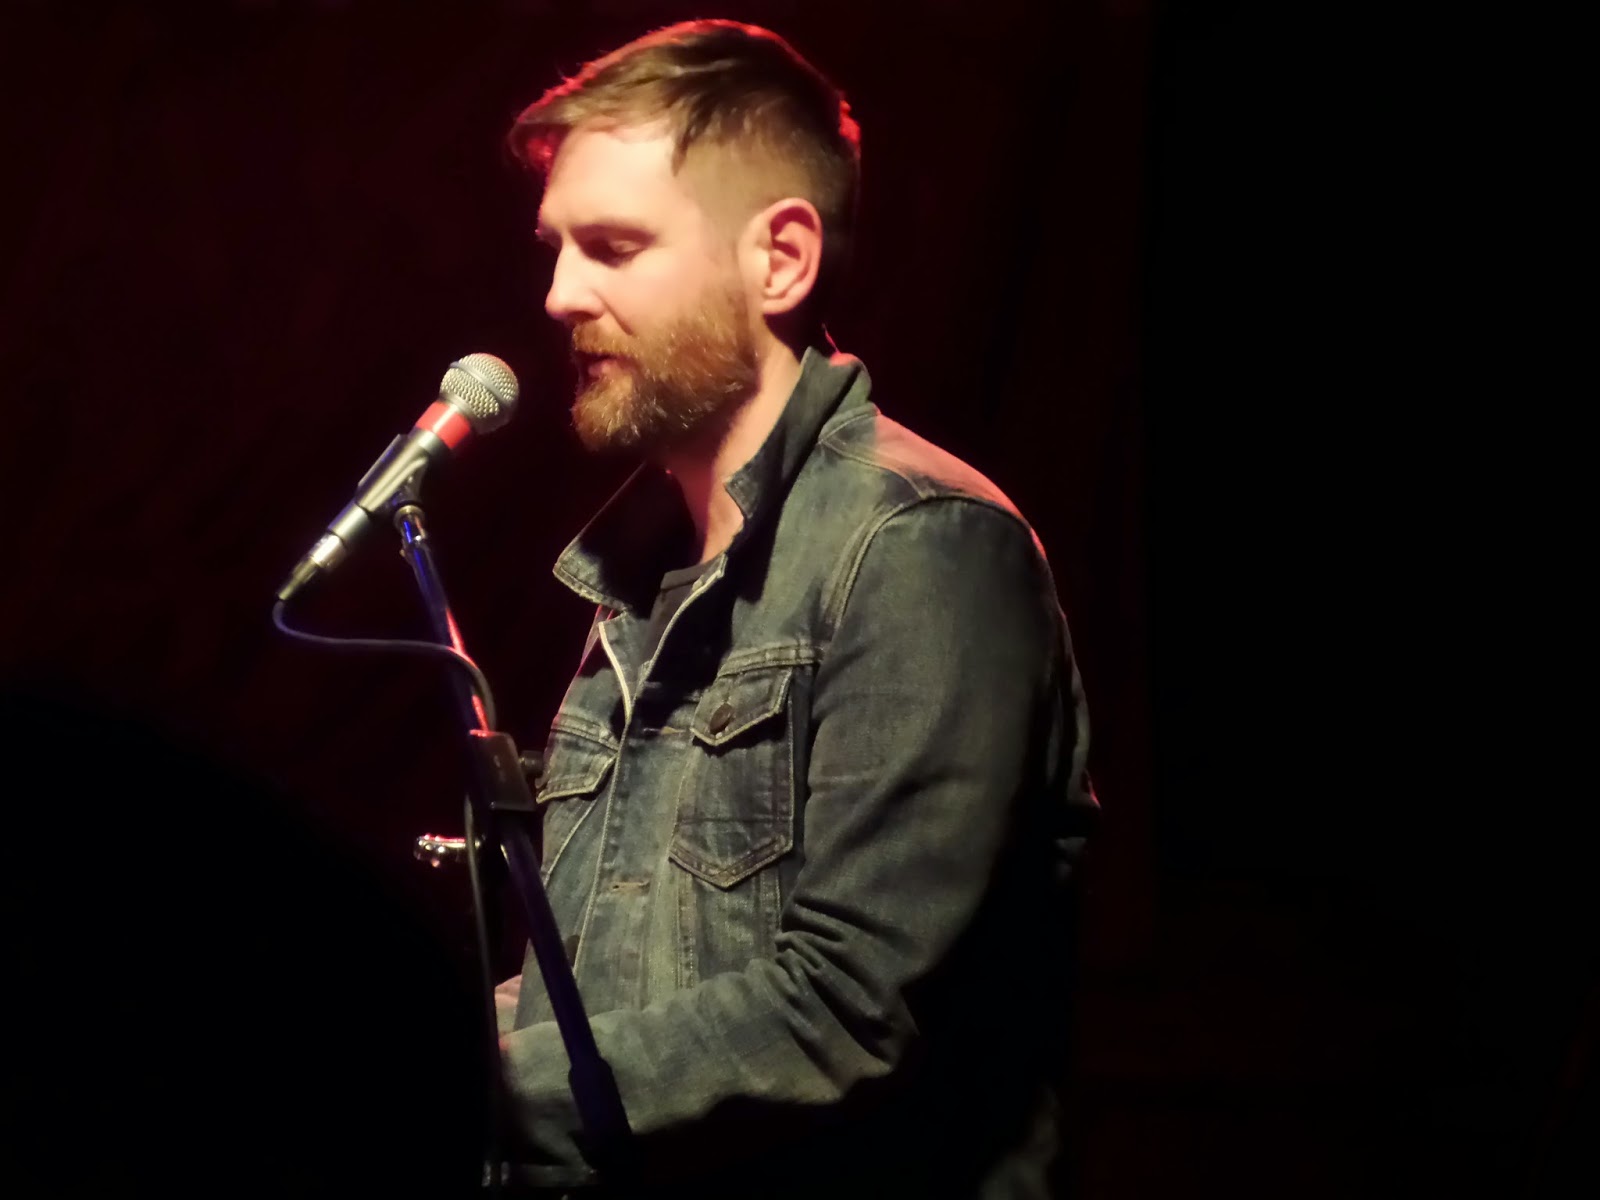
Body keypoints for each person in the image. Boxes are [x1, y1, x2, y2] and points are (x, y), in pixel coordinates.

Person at [495, 20, 1098, 1197]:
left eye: (613, 247)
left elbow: (852, 1011)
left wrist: (472, 1093)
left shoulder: (921, 544)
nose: (560, 296)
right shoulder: (639, 574)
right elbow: (600, 985)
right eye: (556, 249)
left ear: (779, 259)